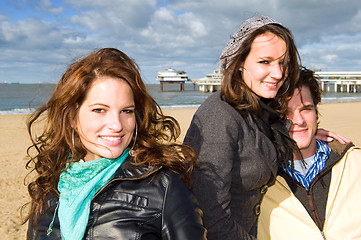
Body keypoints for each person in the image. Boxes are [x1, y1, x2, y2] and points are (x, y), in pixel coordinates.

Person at [24, 48, 207, 240]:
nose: (117, 125)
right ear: (72, 118)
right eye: (99, 110)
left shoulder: (164, 186)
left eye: (126, 111)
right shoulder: (49, 188)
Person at [184, 15, 301, 239]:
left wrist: (312, 138)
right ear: (239, 63)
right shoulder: (219, 116)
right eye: (265, 62)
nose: (278, 74)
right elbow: (213, 217)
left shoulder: (261, 111)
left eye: (283, 63)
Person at [258, 67, 361, 239]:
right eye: (286, 113)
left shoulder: (354, 163)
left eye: (305, 109)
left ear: (316, 111)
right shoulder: (257, 179)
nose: (298, 121)